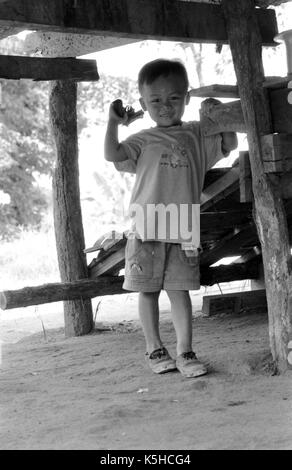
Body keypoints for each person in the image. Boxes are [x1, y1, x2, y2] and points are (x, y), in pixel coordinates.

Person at [104, 59, 237, 378]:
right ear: (143, 104)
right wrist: (112, 122)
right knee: (147, 291)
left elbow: (230, 143)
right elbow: (112, 154)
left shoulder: (197, 134)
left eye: (174, 98)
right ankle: (154, 349)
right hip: (146, 227)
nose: (165, 107)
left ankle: (185, 352)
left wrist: (218, 115)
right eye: (156, 101)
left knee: (180, 292)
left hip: (182, 229)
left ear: (186, 98)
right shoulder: (141, 139)